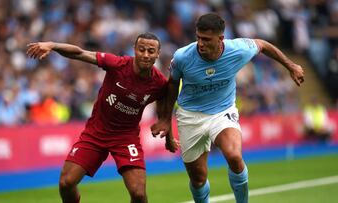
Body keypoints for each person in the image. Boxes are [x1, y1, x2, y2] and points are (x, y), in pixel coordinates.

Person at [151, 13, 305, 203]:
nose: (200, 43)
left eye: (206, 39)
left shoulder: (238, 49)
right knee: (198, 179)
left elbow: (263, 45)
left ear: (220, 38)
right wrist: (166, 119)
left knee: (234, 156)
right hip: (190, 116)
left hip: (222, 111)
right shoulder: (183, 57)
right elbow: (172, 85)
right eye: (198, 37)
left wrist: (291, 66)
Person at [27, 32, 178, 203]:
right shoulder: (117, 64)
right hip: (96, 133)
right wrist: (52, 45)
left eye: (151, 51)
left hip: (126, 138)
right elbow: (80, 53)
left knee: (138, 193)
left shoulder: (158, 83)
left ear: (157, 54)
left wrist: (169, 137)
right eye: (141, 49)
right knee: (66, 183)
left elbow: (164, 106)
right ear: (134, 49)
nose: (145, 54)